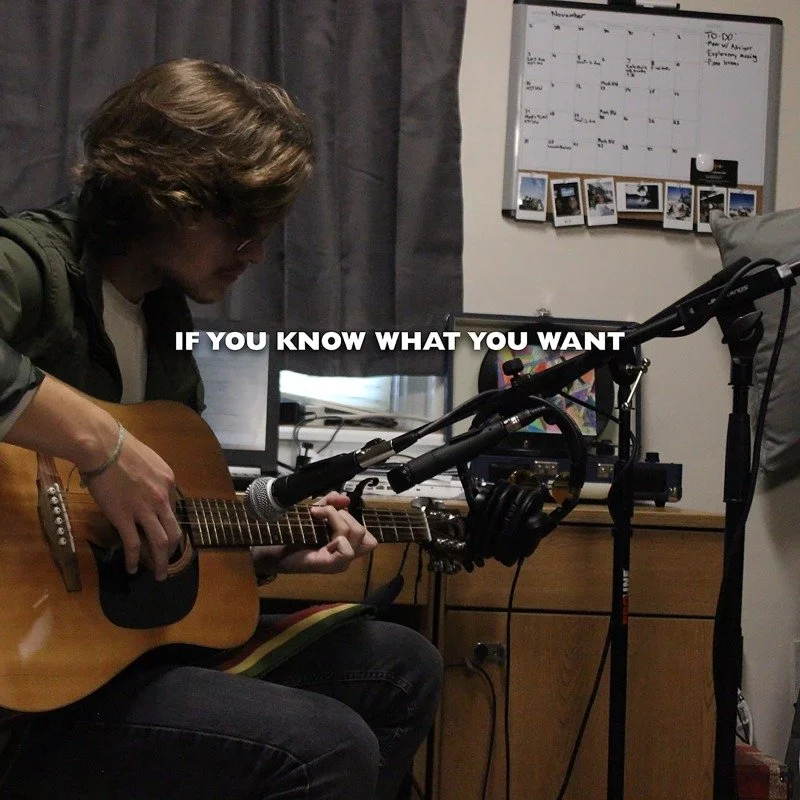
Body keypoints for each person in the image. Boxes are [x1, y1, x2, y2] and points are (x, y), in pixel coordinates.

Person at [0, 58, 442, 799]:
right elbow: (108, 470)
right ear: (158, 191)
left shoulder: (167, 324)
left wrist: (263, 549)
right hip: (26, 694)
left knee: (401, 666)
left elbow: (159, 530)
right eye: (237, 224)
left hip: (113, 661)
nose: (255, 253)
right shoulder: (31, 263)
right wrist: (101, 447)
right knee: (325, 748)